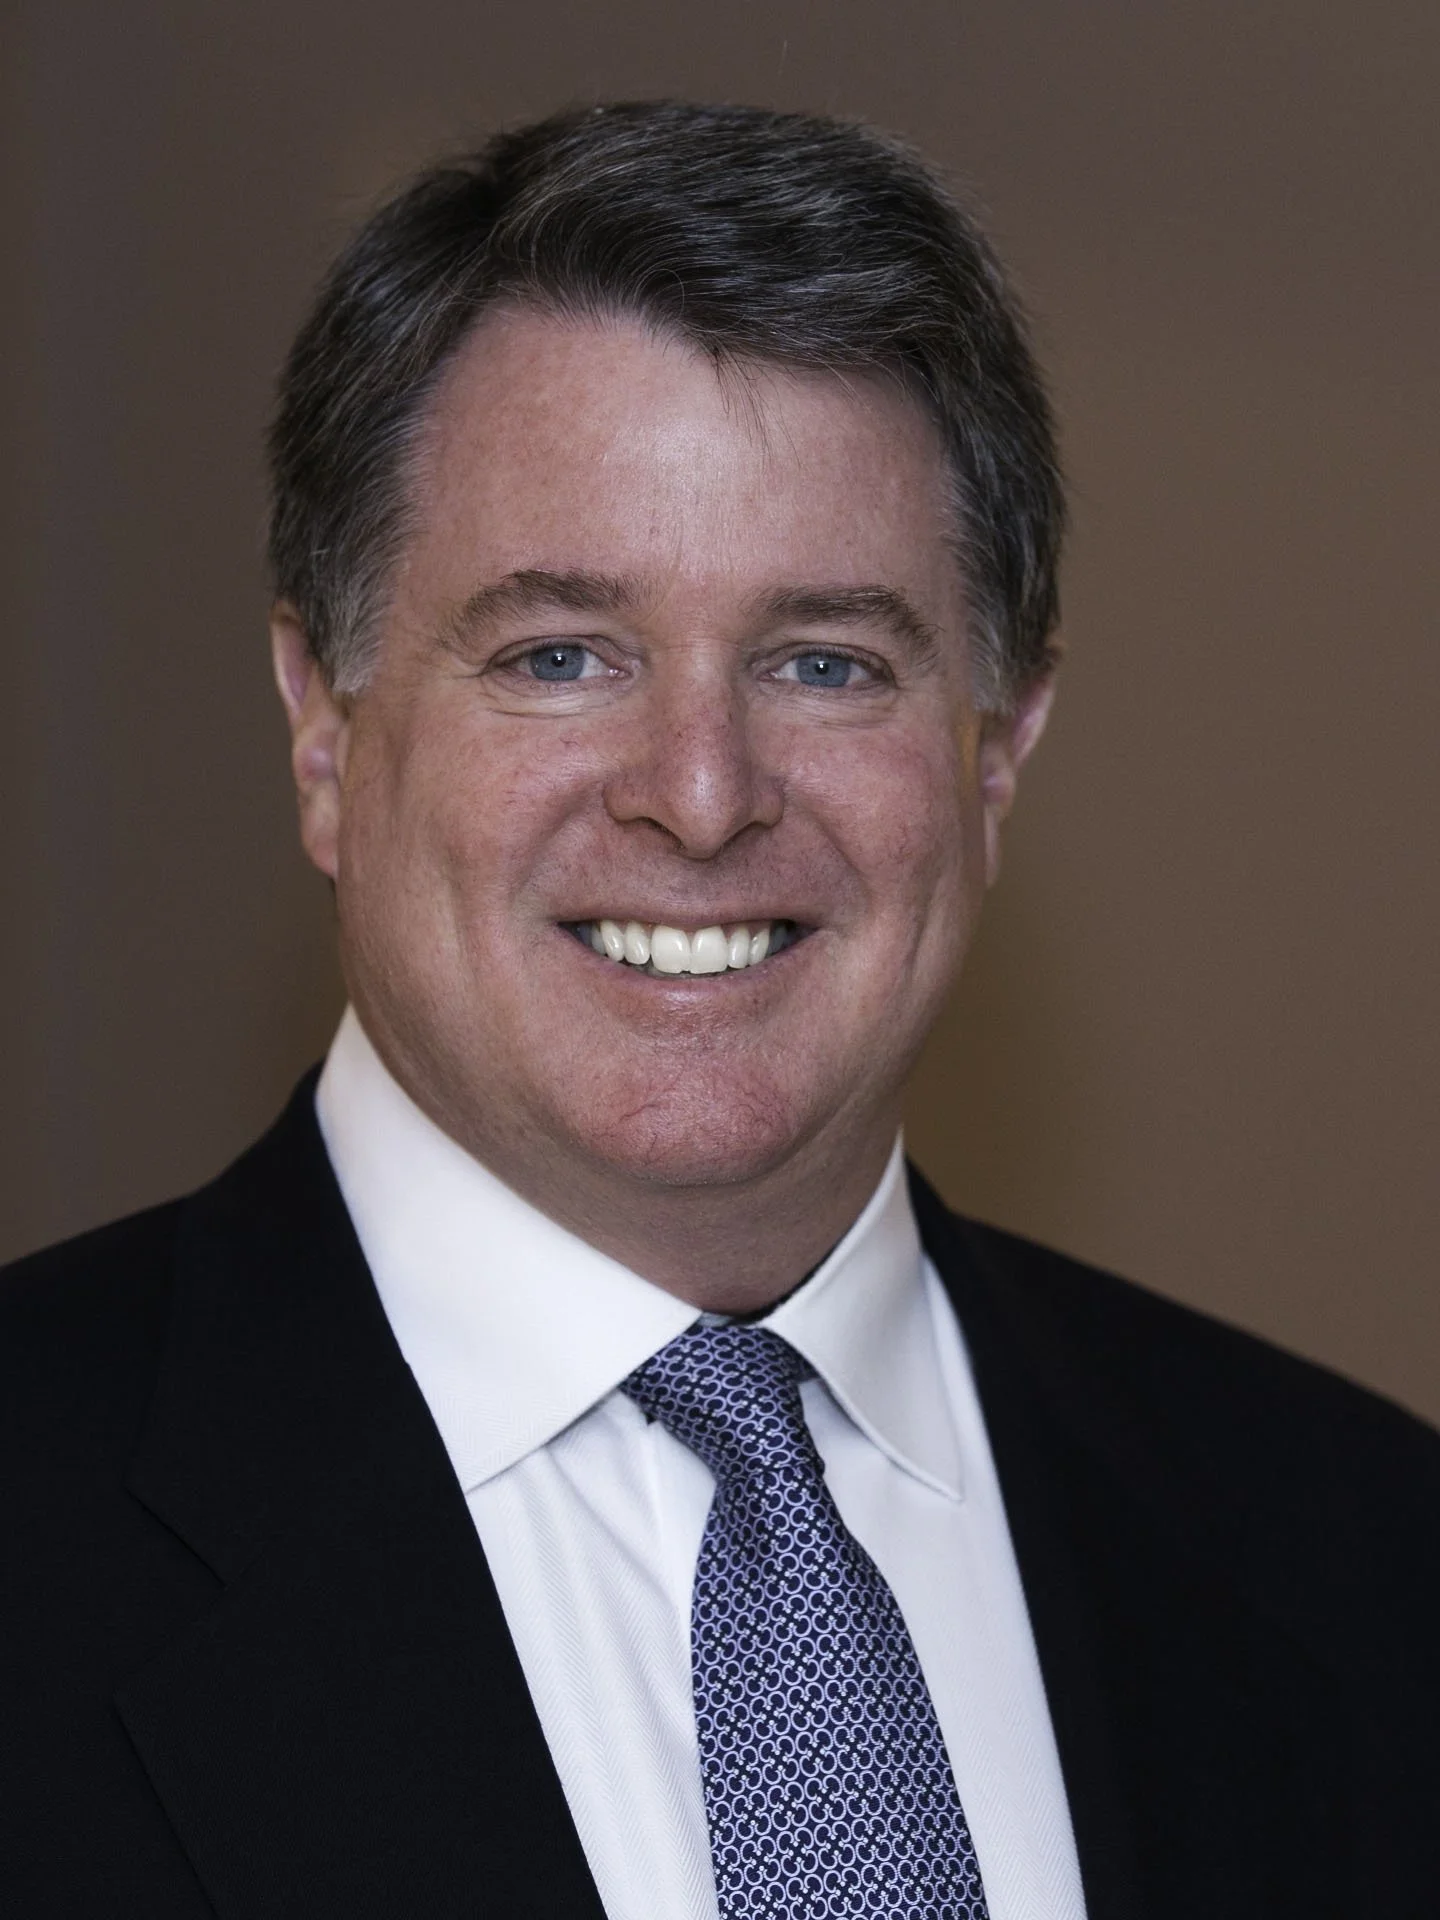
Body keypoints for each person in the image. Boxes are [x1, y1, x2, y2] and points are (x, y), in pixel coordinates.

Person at [2, 100, 1437, 1920]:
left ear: (997, 755)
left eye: (826, 661)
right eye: (559, 656)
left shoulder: (1367, 1566)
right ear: (320, 725)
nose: (700, 792)